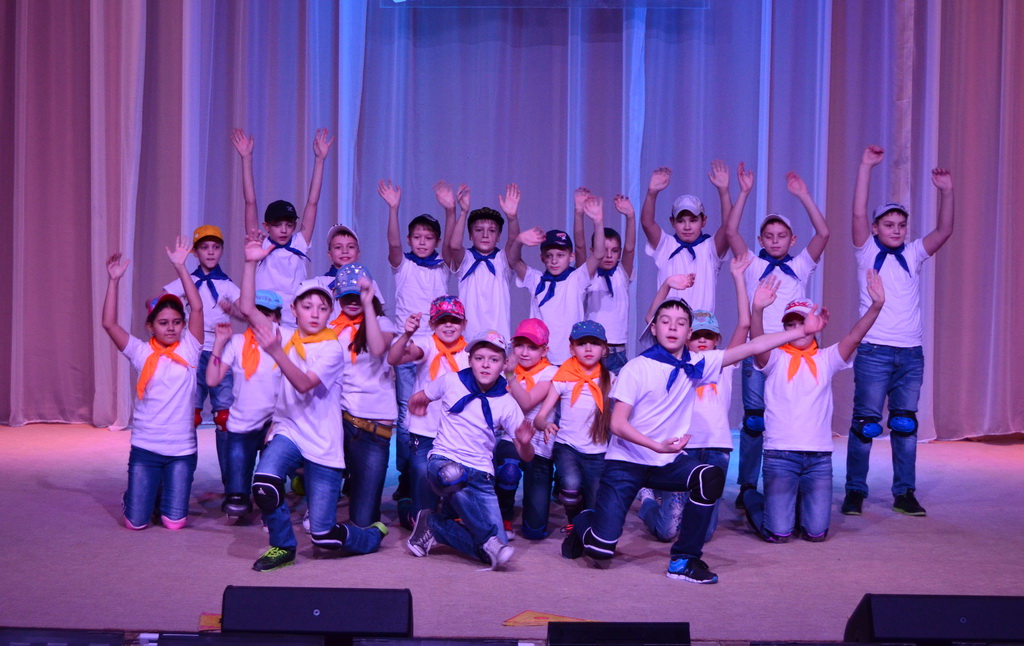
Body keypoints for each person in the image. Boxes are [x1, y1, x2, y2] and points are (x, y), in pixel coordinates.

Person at [561, 293, 827, 583]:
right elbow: (617, 423)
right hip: (627, 462)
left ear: (688, 332)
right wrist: (656, 445)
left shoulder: (699, 362)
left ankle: (683, 560)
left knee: (709, 477)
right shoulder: (636, 368)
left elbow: (753, 346)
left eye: (680, 323)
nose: (672, 327)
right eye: (665, 321)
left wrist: (802, 331)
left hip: (667, 461)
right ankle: (583, 521)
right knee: (600, 551)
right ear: (654, 328)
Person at [240, 234, 386, 571]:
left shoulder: (331, 348)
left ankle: (372, 535)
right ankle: (283, 546)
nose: (315, 313)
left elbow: (304, 384)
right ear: (293, 310)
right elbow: (247, 309)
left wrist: (276, 351)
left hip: (323, 442)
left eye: (322, 307)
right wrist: (250, 263)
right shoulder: (286, 335)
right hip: (290, 429)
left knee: (324, 536)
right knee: (264, 485)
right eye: (307, 307)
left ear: (330, 311)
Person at [843, 146, 954, 517]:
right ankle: (855, 490)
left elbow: (945, 230)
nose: (895, 230)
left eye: (901, 225)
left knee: (905, 425)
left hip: (910, 353)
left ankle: (904, 492)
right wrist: (865, 166)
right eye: (888, 224)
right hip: (874, 351)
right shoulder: (864, 251)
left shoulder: (913, 253)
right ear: (876, 228)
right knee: (865, 424)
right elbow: (857, 213)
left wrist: (946, 192)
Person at [743, 270, 884, 541]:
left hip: (818, 459)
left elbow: (854, 337)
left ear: (817, 325)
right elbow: (757, 344)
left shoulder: (826, 358)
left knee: (816, 533)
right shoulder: (775, 358)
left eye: (803, 322)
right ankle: (751, 496)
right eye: (791, 324)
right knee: (778, 534)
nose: (798, 329)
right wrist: (757, 310)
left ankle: (793, 504)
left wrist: (876, 306)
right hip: (781, 457)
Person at [724, 163, 831, 508]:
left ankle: (787, 481)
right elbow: (730, 230)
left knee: (791, 417)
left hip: (793, 352)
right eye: (768, 236)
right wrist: (743, 192)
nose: (774, 241)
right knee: (755, 419)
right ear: (760, 240)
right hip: (760, 350)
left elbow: (824, 234)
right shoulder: (752, 264)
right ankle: (747, 485)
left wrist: (803, 195)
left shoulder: (800, 266)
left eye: (781, 236)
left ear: (792, 240)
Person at [637, 254, 753, 542]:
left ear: (716, 340)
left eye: (708, 335)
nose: (702, 340)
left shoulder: (722, 364)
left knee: (704, 533)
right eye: (696, 335)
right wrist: (667, 285)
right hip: (682, 448)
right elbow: (652, 319)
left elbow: (744, 325)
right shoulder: (674, 361)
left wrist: (738, 278)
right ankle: (648, 501)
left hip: (716, 449)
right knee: (668, 532)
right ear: (686, 336)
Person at [405, 330, 534, 570]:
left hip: (481, 474)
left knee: (494, 554)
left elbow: (526, 456)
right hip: (444, 461)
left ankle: (433, 524)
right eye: (479, 358)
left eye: (494, 360)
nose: (486, 365)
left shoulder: (507, 403)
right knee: (453, 475)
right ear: (470, 360)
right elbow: (419, 398)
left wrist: (525, 443)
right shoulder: (451, 381)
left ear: (504, 364)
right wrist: (417, 406)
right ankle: (487, 538)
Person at [101, 238, 204, 530]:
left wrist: (181, 267)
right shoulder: (141, 351)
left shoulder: (190, 349)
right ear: (151, 326)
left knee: (174, 522)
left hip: (180, 452)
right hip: (146, 448)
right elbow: (109, 324)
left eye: (176, 322)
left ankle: (159, 492)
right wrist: (113, 282)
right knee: (136, 523)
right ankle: (135, 495)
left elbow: (197, 309)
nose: (171, 327)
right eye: (163, 322)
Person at [380, 179, 455, 521]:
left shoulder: (442, 265)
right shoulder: (404, 264)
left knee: (438, 409)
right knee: (406, 414)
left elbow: (453, 246)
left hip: (439, 347)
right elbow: (393, 244)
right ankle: (408, 478)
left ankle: (434, 470)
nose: (422, 242)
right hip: (409, 346)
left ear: (435, 242)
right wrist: (393, 209)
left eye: (428, 238)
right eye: (417, 237)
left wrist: (450, 211)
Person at [162, 225, 240, 491]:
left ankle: (233, 487)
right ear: (195, 252)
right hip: (193, 352)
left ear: (222, 251)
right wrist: (174, 324)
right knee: (190, 417)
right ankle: (181, 482)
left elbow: (247, 312)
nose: (210, 252)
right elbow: (159, 303)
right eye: (205, 247)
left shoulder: (226, 284)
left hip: (220, 351)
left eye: (215, 247)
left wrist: (233, 311)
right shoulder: (187, 281)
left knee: (225, 417)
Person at [232, 128, 334, 326]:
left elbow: (312, 203)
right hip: (263, 320)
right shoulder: (259, 243)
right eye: (277, 225)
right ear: (266, 226)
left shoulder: (299, 242)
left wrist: (320, 160)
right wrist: (246, 159)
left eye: (289, 225)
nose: (284, 230)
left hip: (296, 324)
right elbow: (250, 202)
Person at [387, 295, 469, 527]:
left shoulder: (470, 352)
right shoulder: (426, 343)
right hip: (424, 431)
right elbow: (394, 358)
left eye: (454, 320)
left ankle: (447, 516)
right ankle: (408, 506)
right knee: (422, 507)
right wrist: (406, 335)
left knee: (455, 495)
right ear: (432, 324)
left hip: (455, 433)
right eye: (442, 320)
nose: (448, 325)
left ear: (464, 324)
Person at [205, 290, 284, 519]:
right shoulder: (237, 342)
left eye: (267, 314)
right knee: (237, 500)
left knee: (270, 487)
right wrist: (219, 343)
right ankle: (239, 493)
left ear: (277, 318)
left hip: (274, 424)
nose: (260, 319)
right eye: (256, 313)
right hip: (242, 423)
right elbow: (212, 380)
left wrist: (279, 422)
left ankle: (275, 501)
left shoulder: (285, 342)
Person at [330, 262, 397, 529]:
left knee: (364, 521)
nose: (352, 301)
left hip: (373, 427)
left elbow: (378, 348)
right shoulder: (332, 328)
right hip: (342, 420)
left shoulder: (382, 322)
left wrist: (368, 304)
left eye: (357, 296)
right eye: (346, 296)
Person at [508, 194, 605, 364]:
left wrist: (598, 222)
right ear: (542, 258)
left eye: (560, 255)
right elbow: (514, 260)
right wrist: (519, 241)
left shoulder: (576, 279)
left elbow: (598, 254)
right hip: (540, 359)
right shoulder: (536, 280)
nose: (554, 260)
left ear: (571, 257)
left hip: (570, 358)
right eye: (549, 255)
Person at [534, 320, 612, 522]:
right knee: (570, 485)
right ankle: (573, 524)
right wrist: (545, 425)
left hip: (598, 452)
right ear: (572, 348)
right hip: (567, 447)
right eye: (582, 343)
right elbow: (540, 417)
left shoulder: (611, 380)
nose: (588, 348)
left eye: (594, 343)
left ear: (604, 349)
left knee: (594, 507)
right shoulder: (563, 378)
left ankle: (584, 528)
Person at [638, 162, 732, 312]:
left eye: (693, 220)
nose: (687, 227)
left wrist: (724, 192)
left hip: (701, 325)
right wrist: (651, 193)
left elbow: (729, 227)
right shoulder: (666, 245)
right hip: (670, 323)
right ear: (672, 222)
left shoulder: (710, 247)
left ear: (704, 221)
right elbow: (647, 223)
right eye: (681, 221)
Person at [503, 318, 558, 539]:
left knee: (535, 531)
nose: (524, 353)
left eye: (532, 347)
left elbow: (527, 403)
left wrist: (510, 376)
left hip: (539, 447)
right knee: (507, 471)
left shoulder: (550, 372)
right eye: (519, 346)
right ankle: (504, 518)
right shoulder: (505, 368)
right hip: (510, 440)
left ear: (544, 350)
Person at [575, 189, 637, 374]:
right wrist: (579, 212)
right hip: (592, 347)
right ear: (594, 250)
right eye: (605, 250)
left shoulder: (622, 274)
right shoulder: (588, 274)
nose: (609, 255)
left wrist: (631, 216)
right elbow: (579, 246)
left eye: (615, 251)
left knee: (618, 393)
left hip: (618, 350)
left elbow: (630, 248)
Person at [448, 184, 522, 339]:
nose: (485, 235)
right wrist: (463, 212)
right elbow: (454, 246)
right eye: (479, 230)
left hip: (498, 338)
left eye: (492, 231)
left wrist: (512, 218)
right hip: (468, 339)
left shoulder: (502, 260)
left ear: (499, 236)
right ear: (470, 235)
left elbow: (514, 241)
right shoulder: (467, 259)